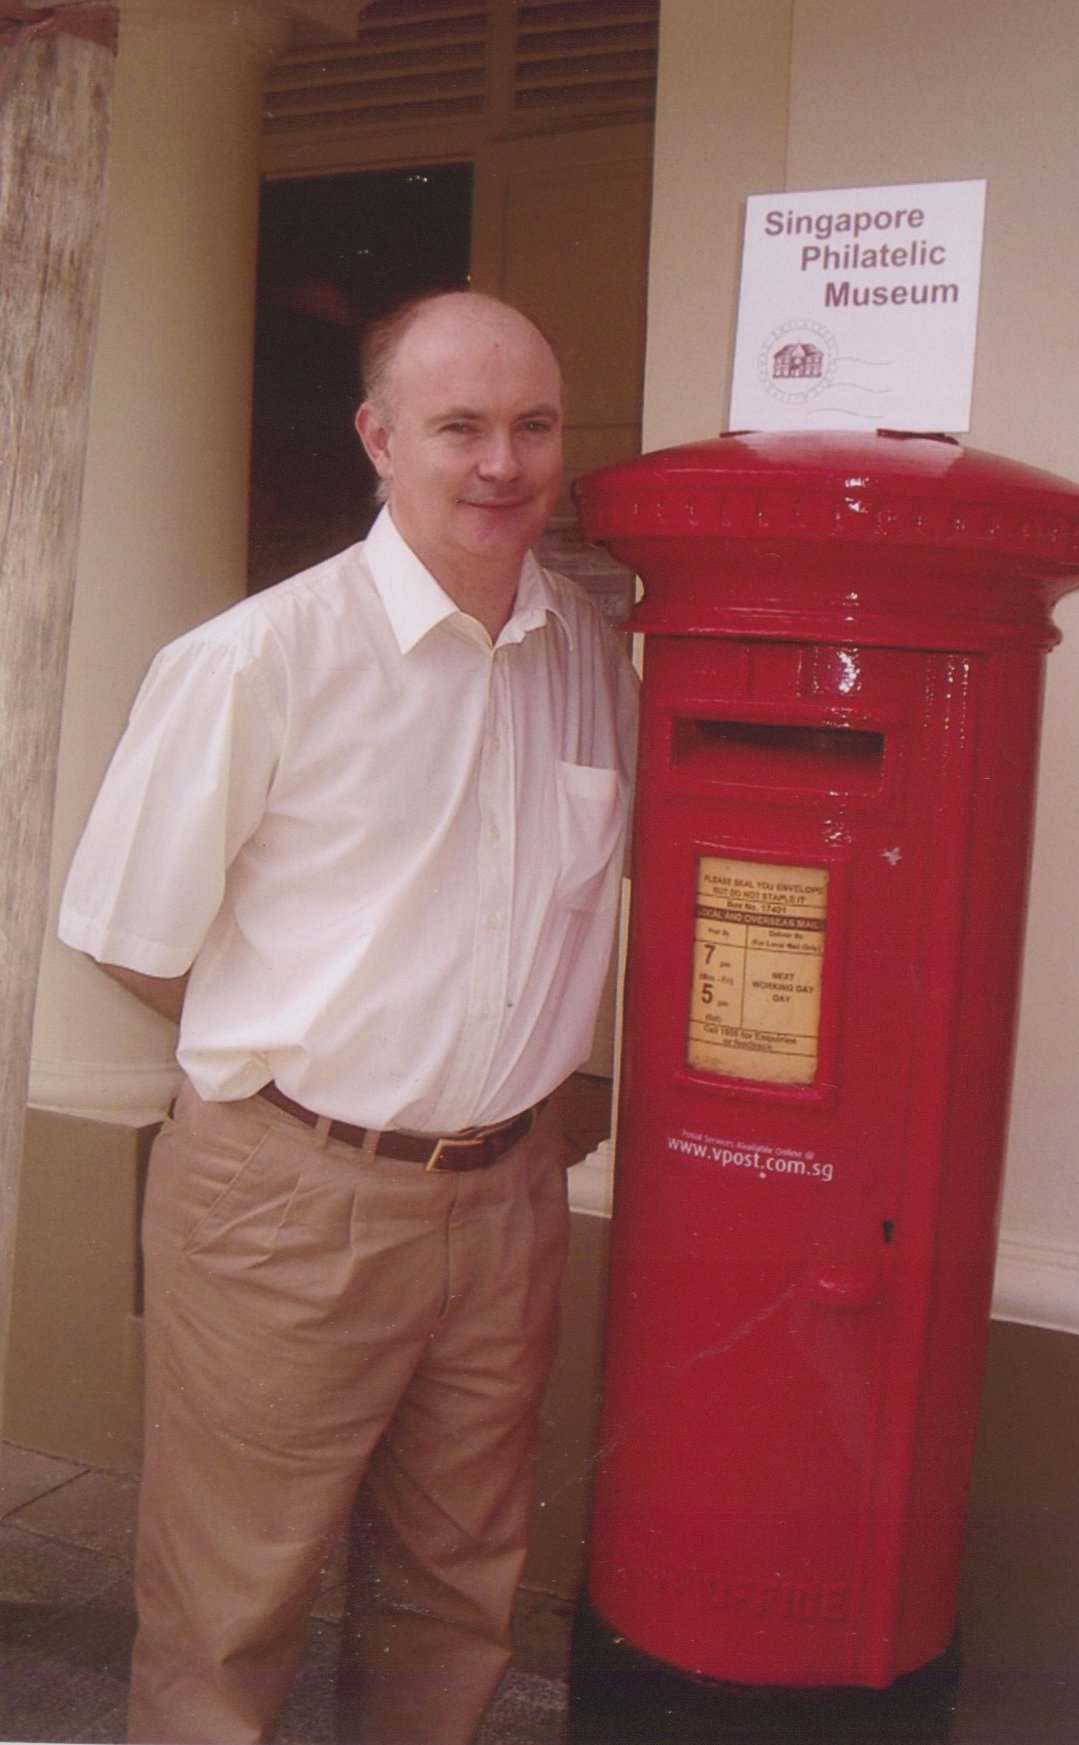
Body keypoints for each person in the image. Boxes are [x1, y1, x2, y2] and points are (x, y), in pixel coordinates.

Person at [59, 289, 639, 1745]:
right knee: (229, 1605)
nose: (501, 460)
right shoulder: (256, 658)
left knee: (456, 1594)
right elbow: (129, 936)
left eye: (531, 425)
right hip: (287, 1203)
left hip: (506, 1197)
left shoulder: (592, 657)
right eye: (460, 426)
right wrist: (319, 1054)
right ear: (381, 438)